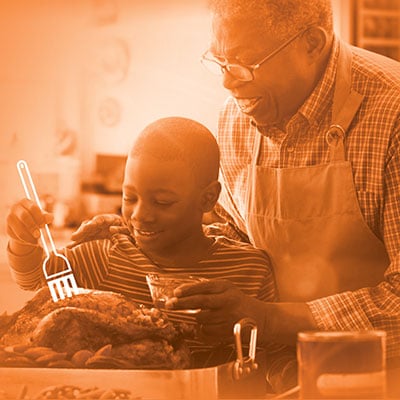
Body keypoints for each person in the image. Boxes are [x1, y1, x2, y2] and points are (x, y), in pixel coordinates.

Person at [72, 0, 400, 380]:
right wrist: (144, 236)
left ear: (311, 43)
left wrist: (267, 317)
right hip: (271, 373)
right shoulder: (236, 119)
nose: (228, 82)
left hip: (378, 376)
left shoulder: (390, 112)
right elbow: (236, 237)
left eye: (246, 62)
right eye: (220, 62)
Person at [6, 116, 295, 393]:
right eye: (129, 198)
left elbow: (273, 353)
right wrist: (22, 239)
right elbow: (33, 278)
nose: (141, 215)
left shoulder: (249, 269)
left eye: (162, 202)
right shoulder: (106, 255)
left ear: (208, 198)